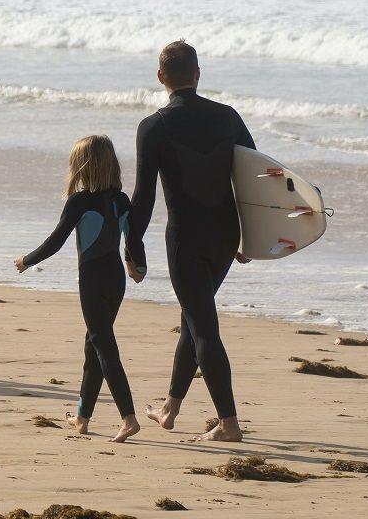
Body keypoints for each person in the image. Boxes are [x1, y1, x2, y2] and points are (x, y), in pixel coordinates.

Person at [125, 40, 254, 442]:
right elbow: (255, 179)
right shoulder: (228, 117)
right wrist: (254, 237)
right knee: (193, 316)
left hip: (186, 238)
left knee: (202, 326)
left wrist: (134, 249)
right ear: (198, 74)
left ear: (161, 77)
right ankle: (170, 407)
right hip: (226, 234)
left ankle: (229, 424)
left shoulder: (154, 127)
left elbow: (143, 196)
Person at [14, 135, 141, 443]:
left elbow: (55, 241)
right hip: (116, 280)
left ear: (82, 167)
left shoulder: (80, 202)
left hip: (93, 280)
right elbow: (133, 241)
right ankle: (82, 417)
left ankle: (129, 417)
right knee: (94, 345)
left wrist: (26, 260)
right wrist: (138, 266)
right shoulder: (121, 200)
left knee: (104, 345)